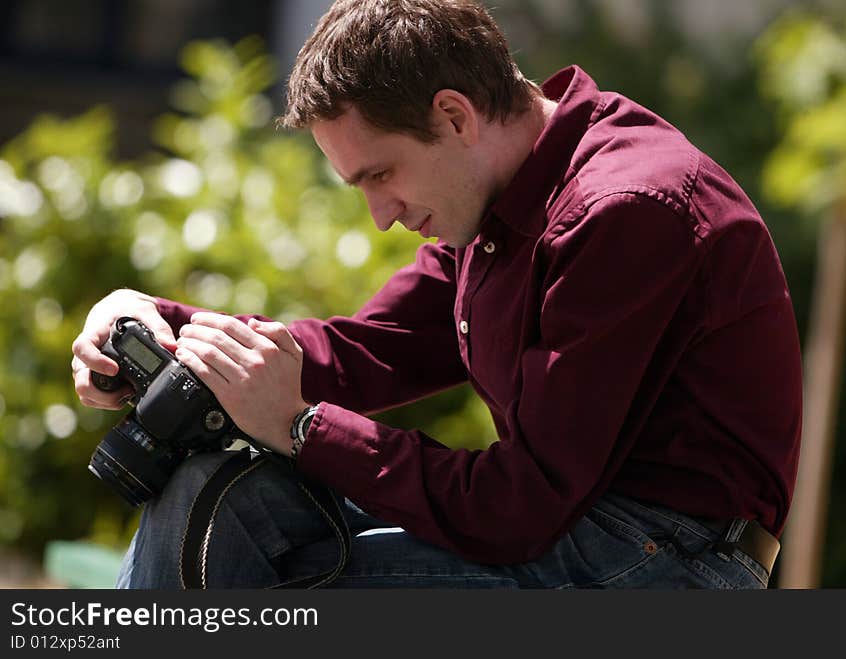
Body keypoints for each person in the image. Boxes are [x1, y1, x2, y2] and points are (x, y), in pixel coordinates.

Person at [71, 0, 802, 589]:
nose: (381, 214)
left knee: (256, 549)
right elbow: (361, 349)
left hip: (669, 563)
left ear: (455, 116)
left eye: (380, 174)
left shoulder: (624, 211)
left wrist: (300, 425)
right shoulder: (502, 206)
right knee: (218, 489)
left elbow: (522, 502)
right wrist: (158, 323)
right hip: (583, 534)